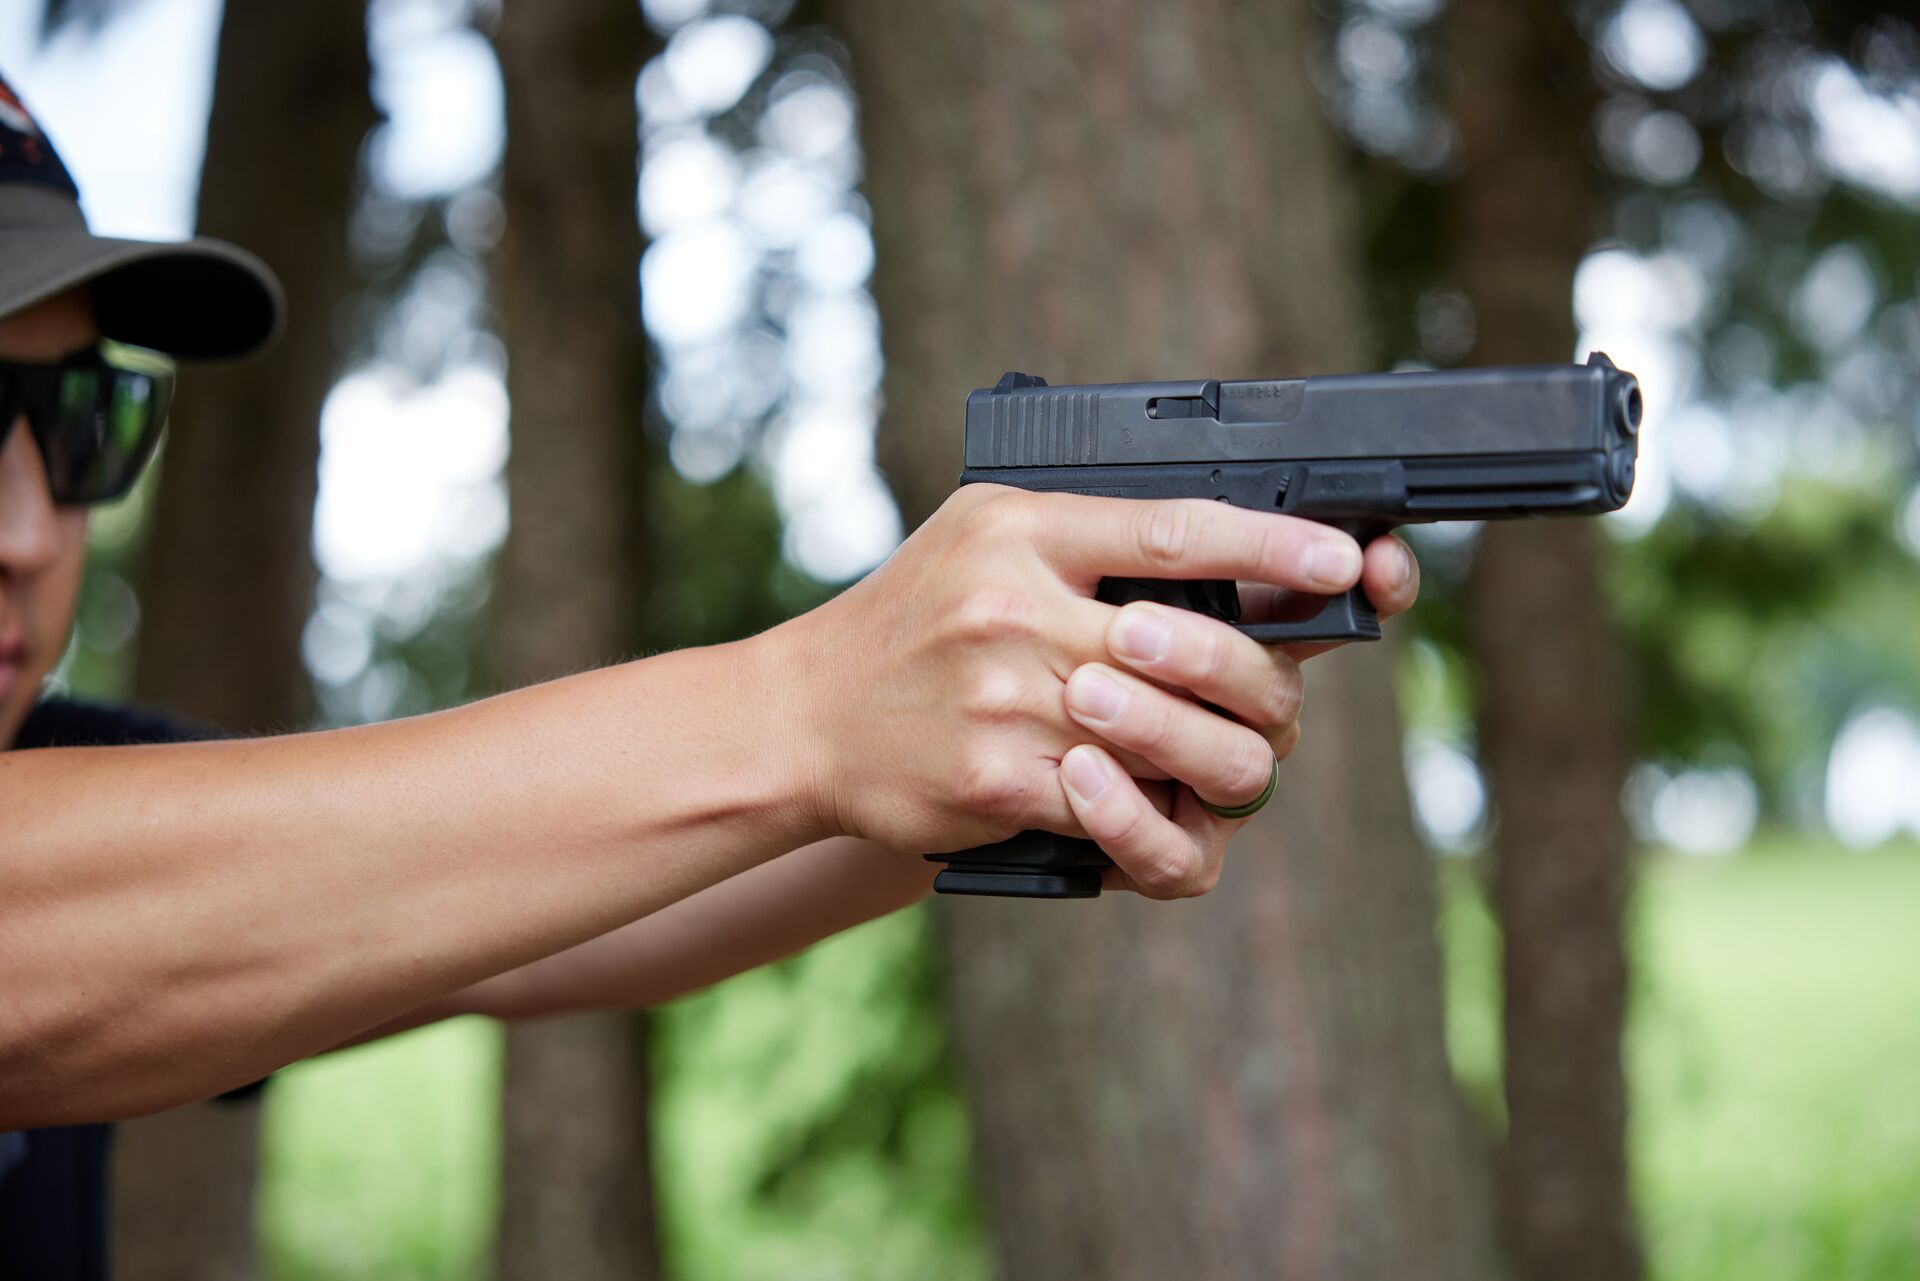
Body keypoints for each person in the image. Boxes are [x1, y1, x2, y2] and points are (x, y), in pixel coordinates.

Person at [0, 73, 1420, 1272]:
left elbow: (561, 906)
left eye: (76, 421)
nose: (26, 528)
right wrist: (817, 705)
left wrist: (1014, 717)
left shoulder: (98, 788)